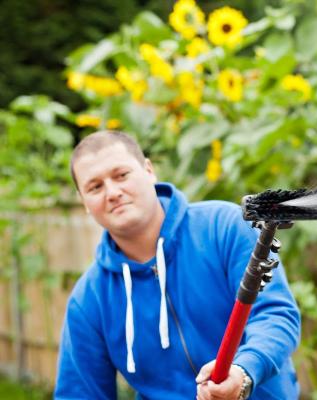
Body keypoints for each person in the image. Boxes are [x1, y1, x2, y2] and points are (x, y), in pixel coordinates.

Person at [54, 130, 301, 400]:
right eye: (95, 187)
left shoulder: (224, 227)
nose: (112, 192)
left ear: (148, 171)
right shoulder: (90, 299)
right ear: (84, 203)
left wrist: (243, 371)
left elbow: (275, 315)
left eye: (121, 175)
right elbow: (79, 393)